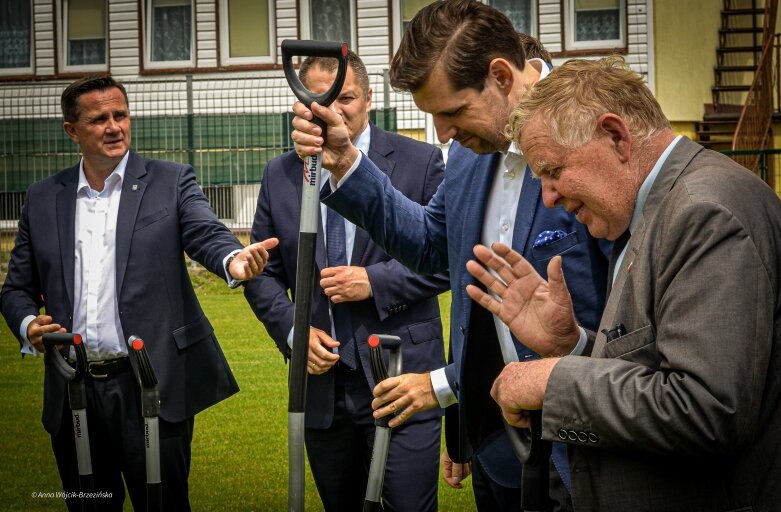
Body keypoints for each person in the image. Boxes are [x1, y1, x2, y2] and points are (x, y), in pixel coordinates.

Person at [290, 1, 609, 509]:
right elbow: (432, 245)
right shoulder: (468, 150)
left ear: (501, 76)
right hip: (496, 446)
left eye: (452, 112)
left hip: (589, 451)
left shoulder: (595, 134)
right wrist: (348, 162)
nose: (442, 134)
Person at [466, 56, 781, 512]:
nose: (549, 196)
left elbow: (707, 410)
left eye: (553, 171)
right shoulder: (657, 207)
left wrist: (554, 381)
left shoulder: (704, 212)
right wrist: (572, 345)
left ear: (616, 136)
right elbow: (655, 366)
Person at [0, 75, 278, 511]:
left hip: (151, 384)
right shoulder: (41, 198)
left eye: (121, 115)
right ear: (72, 130)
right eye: (99, 119)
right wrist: (27, 323)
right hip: (73, 388)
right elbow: (16, 288)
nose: (114, 127)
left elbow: (204, 231)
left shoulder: (170, 181)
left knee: (163, 503)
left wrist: (233, 260)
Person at [244, 51, 449, 512]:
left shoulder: (419, 161)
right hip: (322, 387)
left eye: (347, 98)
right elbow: (265, 274)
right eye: (320, 101)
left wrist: (375, 280)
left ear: (370, 97)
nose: (334, 112)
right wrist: (295, 333)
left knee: (408, 506)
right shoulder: (280, 174)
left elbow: (446, 258)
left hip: (401, 375)